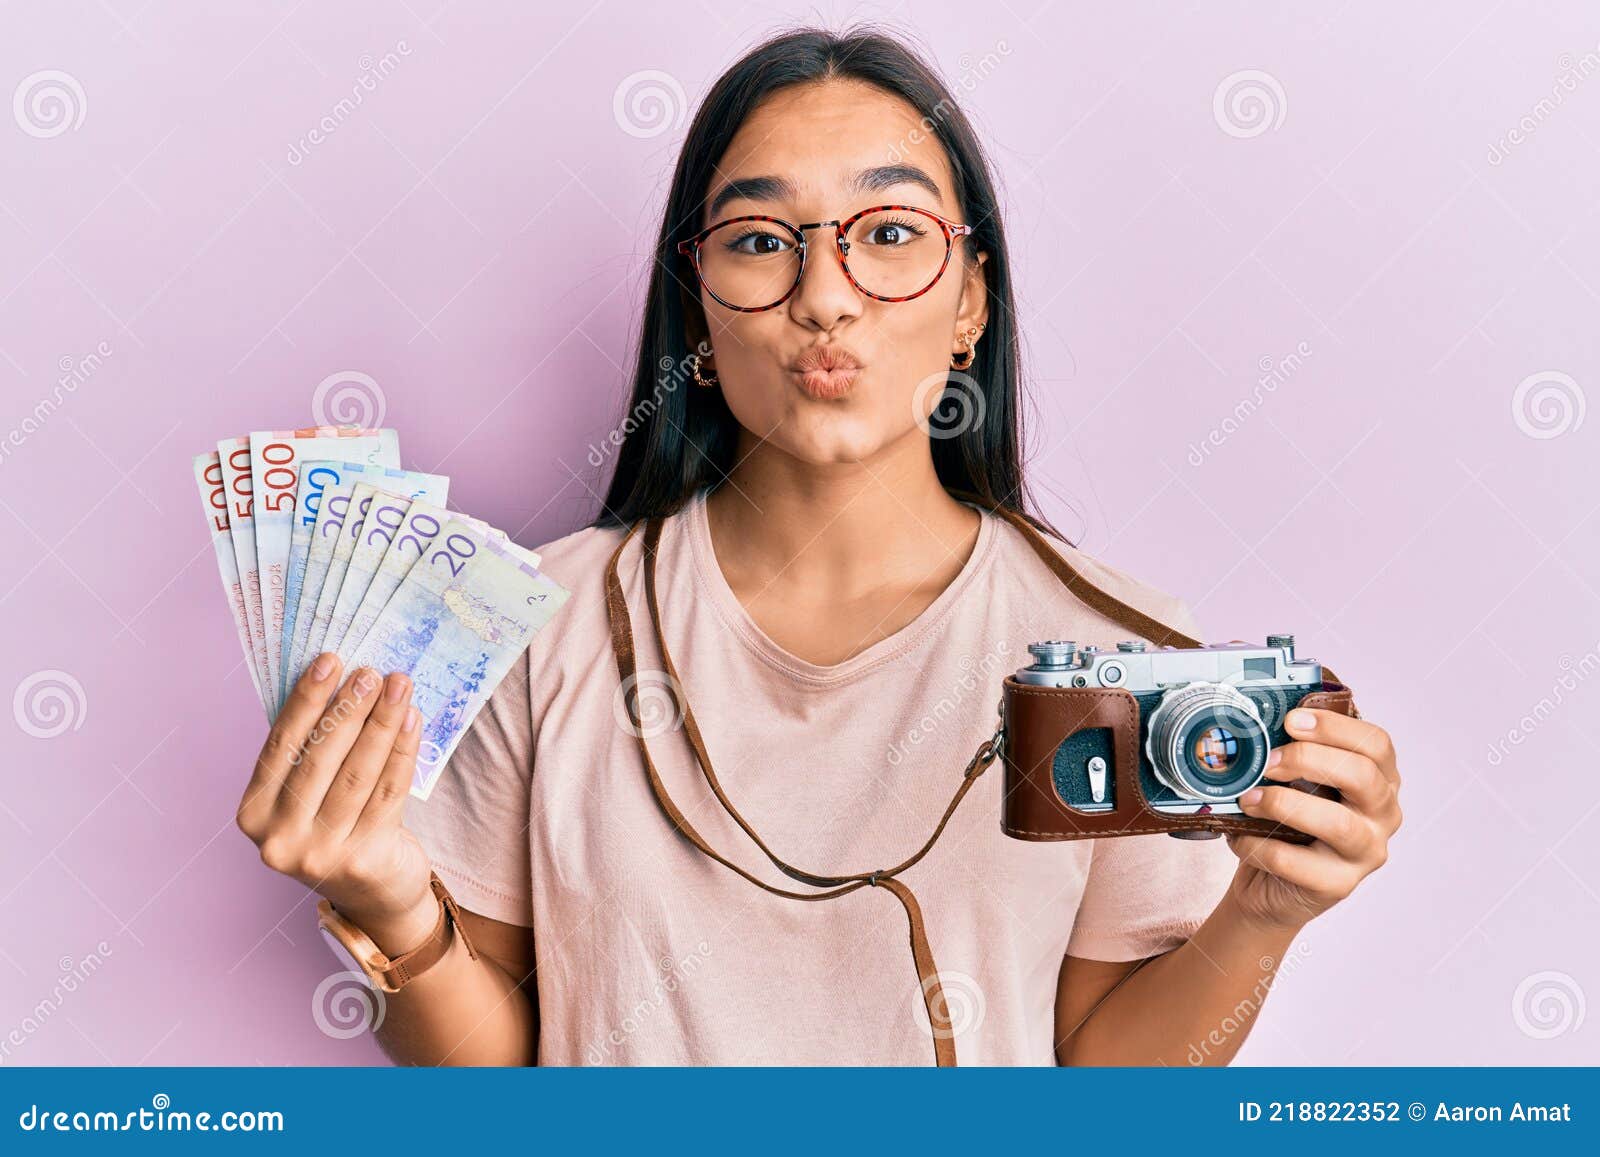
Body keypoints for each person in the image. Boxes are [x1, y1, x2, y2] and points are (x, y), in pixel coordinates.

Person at [235, 26, 1402, 1066]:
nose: (825, 297)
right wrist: (387, 904)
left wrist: (1262, 911)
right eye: (758, 242)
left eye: (889, 233)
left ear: (969, 301)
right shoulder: (537, 628)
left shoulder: (1117, 652)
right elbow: (492, 1082)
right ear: (697, 300)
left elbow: (1111, 1092)